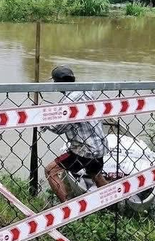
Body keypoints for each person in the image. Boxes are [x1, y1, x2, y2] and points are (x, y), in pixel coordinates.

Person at [43, 65, 108, 202]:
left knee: (50, 171)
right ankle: (111, 203)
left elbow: (59, 128)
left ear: (58, 83)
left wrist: (43, 120)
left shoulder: (70, 100)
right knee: (96, 175)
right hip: (99, 146)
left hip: (84, 150)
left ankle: (67, 208)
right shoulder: (85, 91)